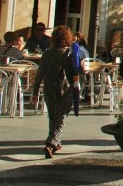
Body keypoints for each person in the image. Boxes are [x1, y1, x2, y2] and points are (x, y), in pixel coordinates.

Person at [32, 25, 78, 157]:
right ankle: (51, 143)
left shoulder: (47, 54)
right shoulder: (71, 54)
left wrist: (35, 92)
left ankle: (56, 143)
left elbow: (40, 74)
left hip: (49, 88)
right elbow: (78, 72)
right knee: (61, 117)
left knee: (53, 116)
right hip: (66, 88)